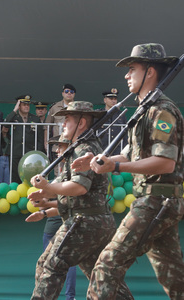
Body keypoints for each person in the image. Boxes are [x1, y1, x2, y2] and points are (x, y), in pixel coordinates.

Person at [71, 43, 184, 299]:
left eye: (132, 69)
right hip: (158, 200)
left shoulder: (162, 111)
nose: (126, 75)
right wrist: (101, 159)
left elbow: (165, 162)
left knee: (107, 265)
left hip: (156, 201)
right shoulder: (145, 110)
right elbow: (134, 155)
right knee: (175, 280)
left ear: (150, 72)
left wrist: (116, 166)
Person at [28, 101, 132, 300]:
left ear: (81, 123)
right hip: (93, 222)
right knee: (104, 277)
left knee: (50, 266)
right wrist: (46, 192)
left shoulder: (85, 148)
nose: (63, 124)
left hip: (84, 222)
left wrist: (48, 188)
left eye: (67, 119)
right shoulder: (79, 147)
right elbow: (66, 181)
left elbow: (79, 187)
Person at [26, 134, 77, 300]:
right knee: (45, 263)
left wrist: (45, 207)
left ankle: (70, 297)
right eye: (56, 147)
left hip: (77, 225)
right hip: (55, 222)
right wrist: (43, 205)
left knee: (99, 270)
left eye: (60, 146)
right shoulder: (62, 170)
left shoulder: (75, 170)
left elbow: (71, 204)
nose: (56, 151)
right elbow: (60, 202)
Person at [4, 95, 44, 183]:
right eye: (24, 104)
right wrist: (14, 110)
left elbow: (40, 137)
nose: (26, 106)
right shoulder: (14, 117)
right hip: (15, 151)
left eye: (28, 105)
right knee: (15, 177)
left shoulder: (35, 119)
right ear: (19, 106)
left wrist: (38, 152)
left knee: (30, 176)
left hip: (30, 152)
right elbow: (5, 125)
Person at [44, 84, 76, 174]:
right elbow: (47, 126)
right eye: (66, 91)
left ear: (74, 94)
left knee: (73, 170)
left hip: (73, 144)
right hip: (58, 145)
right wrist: (46, 142)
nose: (69, 93)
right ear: (62, 93)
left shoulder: (78, 107)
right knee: (58, 172)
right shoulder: (55, 107)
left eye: (71, 92)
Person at [98, 88, 128, 155]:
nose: (113, 101)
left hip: (117, 150)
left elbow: (125, 134)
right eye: (111, 99)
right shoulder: (99, 114)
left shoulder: (121, 115)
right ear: (105, 100)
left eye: (115, 99)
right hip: (101, 150)